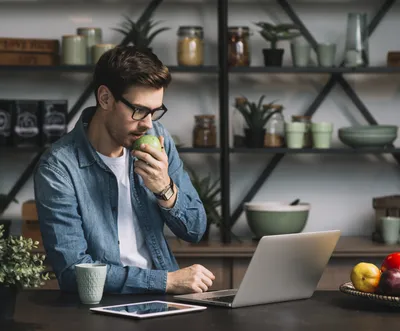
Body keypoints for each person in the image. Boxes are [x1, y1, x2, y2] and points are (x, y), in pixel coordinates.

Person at [33, 45, 215, 295]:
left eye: (155, 111)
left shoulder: (159, 139)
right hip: (101, 307)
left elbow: (195, 230)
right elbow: (73, 272)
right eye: (139, 110)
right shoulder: (59, 168)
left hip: (164, 303)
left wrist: (165, 189)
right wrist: (166, 281)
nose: (148, 124)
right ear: (105, 98)